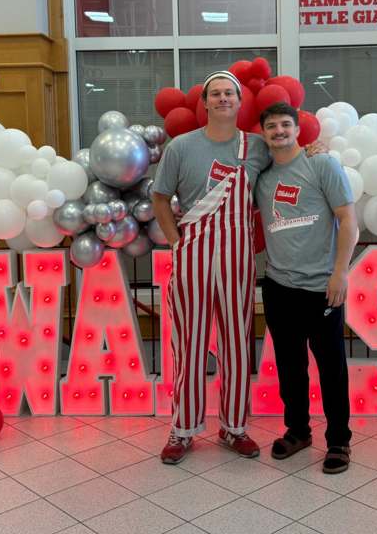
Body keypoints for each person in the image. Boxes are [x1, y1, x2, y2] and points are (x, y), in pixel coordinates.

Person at [151, 70, 269, 464]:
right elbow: (160, 198)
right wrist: (176, 241)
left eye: (228, 93)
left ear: (239, 101)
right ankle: (182, 428)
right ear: (204, 103)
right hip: (192, 255)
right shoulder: (181, 147)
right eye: (215, 94)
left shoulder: (256, 147)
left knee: (237, 343)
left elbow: (290, 161)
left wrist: (315, 150)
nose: (222, 99)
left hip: (238, 258)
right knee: (189, 344)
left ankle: (235, 426)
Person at [255, 102, 358, 474]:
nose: (279, 131)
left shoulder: (321, 164)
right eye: (271, 126)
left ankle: (339, 440)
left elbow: (348, 220)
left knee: (332, 368)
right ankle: (298, 431)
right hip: (278, 287)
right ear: (263, 133)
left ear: (298, 130)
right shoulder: (261, 177)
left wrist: (340, 273)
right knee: (290, 367)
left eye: (285, 124)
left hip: (322, 288)